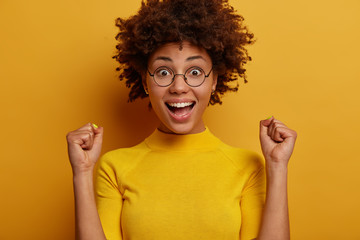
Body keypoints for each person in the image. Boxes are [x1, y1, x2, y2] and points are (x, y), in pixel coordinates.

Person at [66, 0, 297, 239]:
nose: (179, 87)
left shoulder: (248, 166)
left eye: (194, 72)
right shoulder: (114, 167)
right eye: (164, 72)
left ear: (214, 80)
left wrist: (277, 166)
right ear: (146, 82)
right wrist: (82, 172)